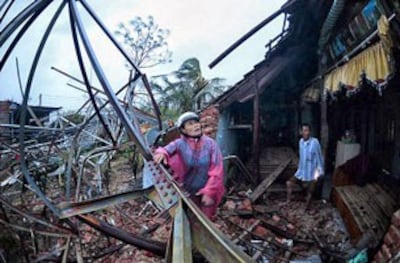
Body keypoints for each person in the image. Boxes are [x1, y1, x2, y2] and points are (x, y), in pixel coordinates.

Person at [153, 112, 224, 220]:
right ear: (183, 130)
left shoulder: (211, 144)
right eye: (190, 124)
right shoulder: (179, 143)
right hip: (188, 189)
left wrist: (209, 191)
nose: (196, 125)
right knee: (190, 217)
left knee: (206, 219)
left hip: (208, 189)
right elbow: (165, 149)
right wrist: (162, 153)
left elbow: (217, 170)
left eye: (196, 122)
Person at [286, 124, 324, 210]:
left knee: (310, 191)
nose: (305, 132)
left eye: (306, 130)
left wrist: (318, 173)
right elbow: (302, 157)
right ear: (300, 132)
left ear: (310, 132)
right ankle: (288, 202)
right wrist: (298, 168)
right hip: (302, 171)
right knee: (289, 183)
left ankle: (306, 208)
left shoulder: (315, 142)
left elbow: (319, 157)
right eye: (303, 130)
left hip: (312, 172)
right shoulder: (301, 142)